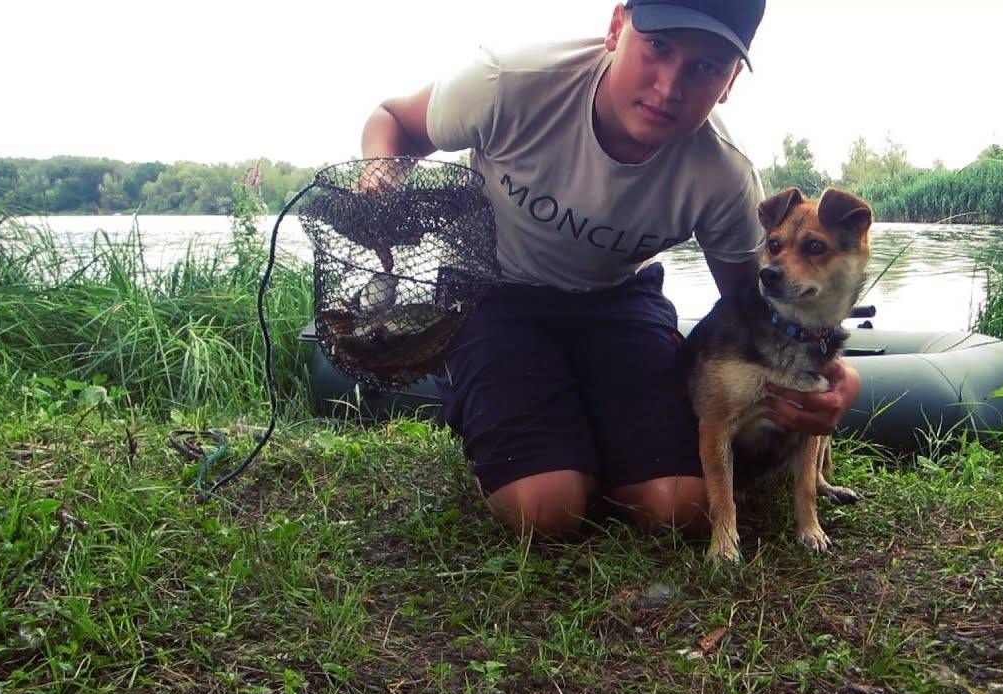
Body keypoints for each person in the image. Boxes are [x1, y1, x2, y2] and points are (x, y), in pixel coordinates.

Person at [360, 0, 861, 539]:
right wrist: (380, 175)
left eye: (706, 66)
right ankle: (517, 423)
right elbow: (393, 120)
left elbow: (751, 305)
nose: (669, 87)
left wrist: (839, 373)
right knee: (547, 509)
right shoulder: (508, 81)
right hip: (492, 290)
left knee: (681, 507)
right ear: (617, 27)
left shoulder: (723, 171)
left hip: (617, 298)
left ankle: (584, 437)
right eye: (658, 47)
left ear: (730, 80)